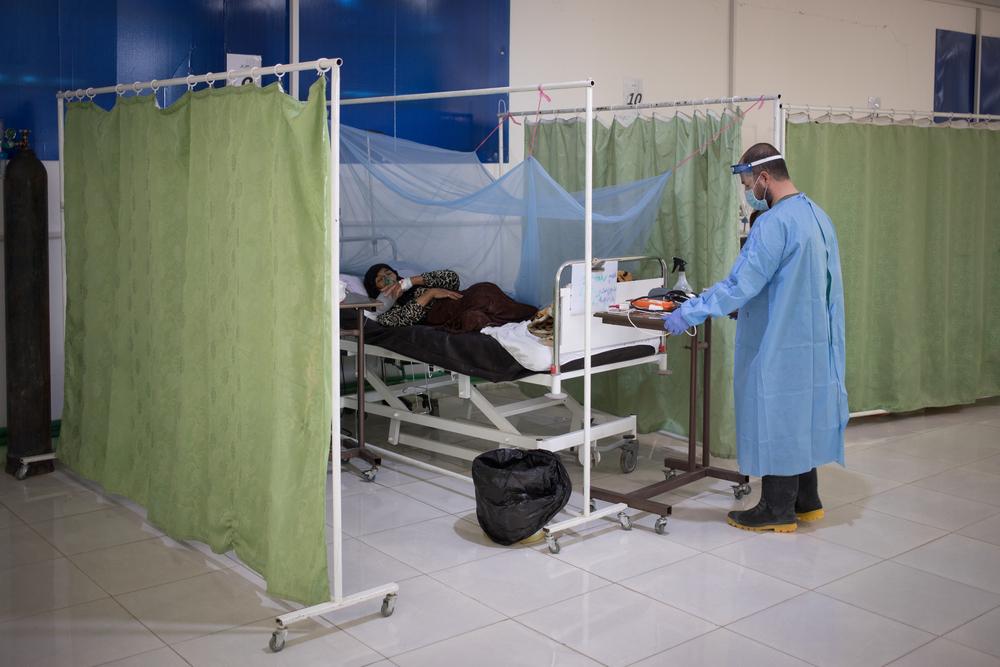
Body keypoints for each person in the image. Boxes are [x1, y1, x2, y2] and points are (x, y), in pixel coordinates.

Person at [663, 143, 848, 533]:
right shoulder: (817, 216)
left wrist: (690, 311)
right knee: (802, 414)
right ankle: (806, 500)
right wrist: (744, 303)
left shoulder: (773, 222)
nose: (748, 192)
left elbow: (739, 283)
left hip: (779, 341)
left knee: (777, 413)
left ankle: (776, 510)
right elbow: (793, 281)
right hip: (813, 342)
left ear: (763, 178)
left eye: (748, 183)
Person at [363, 264, 537, 332]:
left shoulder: (415, 283)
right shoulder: (384, 312)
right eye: (380, 279)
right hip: (447, 316)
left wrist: (411, 281)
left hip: (461, 300)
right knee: (474, 318)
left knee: (484, 291)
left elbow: (452, 278)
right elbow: (407, 317)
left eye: (388, 273)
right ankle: (531, 320)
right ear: (374, 288)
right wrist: (430, 293)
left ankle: (533, 318)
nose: (387, 278)